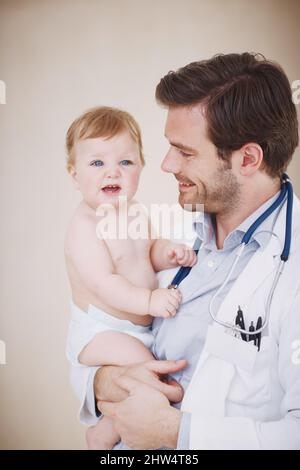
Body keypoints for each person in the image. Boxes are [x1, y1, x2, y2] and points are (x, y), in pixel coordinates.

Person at [70, 53, 300, 450]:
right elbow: (93, 335)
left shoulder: (291, 267)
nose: (164, 164)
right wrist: (102, 381)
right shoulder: (172, 228)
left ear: (247, 158)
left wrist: (180, 435)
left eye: (185, 152)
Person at [64, 106, 197, 449]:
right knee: (148, 371)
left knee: (142, 376)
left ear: (141, 166)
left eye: (125, 162)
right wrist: (151, 301)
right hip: (103, 329)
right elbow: (105, 283)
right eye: (97, 163)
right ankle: (103, 434)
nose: (113, 172)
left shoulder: (135, 210)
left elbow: (147, 249)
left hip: (136, 327)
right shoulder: (84, 228)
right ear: (73, 173)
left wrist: (168, 251)